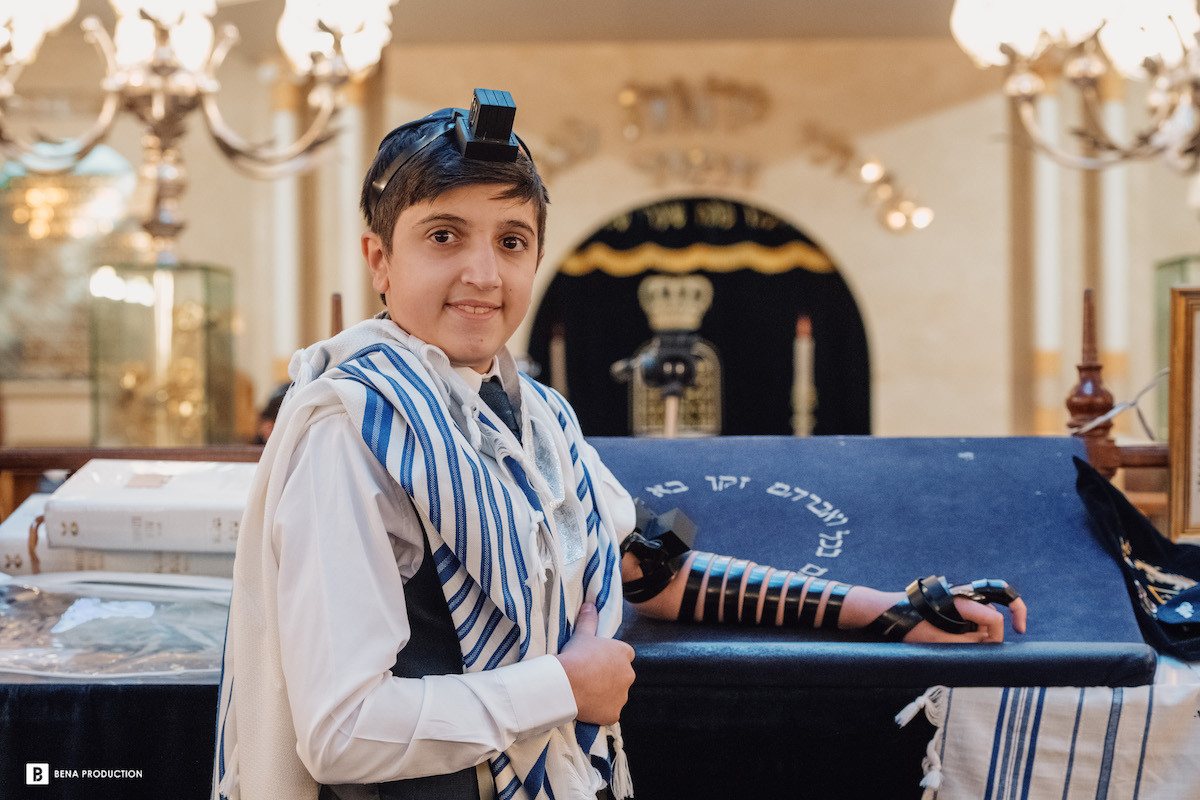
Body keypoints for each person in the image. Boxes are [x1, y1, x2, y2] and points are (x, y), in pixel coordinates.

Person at [213, 90, 1027, 800]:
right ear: (379, 261)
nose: (484, 274)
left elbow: (650, 573)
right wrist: (561, 687)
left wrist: (894, 612)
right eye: (443, 236)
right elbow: (344, 730)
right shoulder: (354, 430)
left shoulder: (536, 417)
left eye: (511, 241)